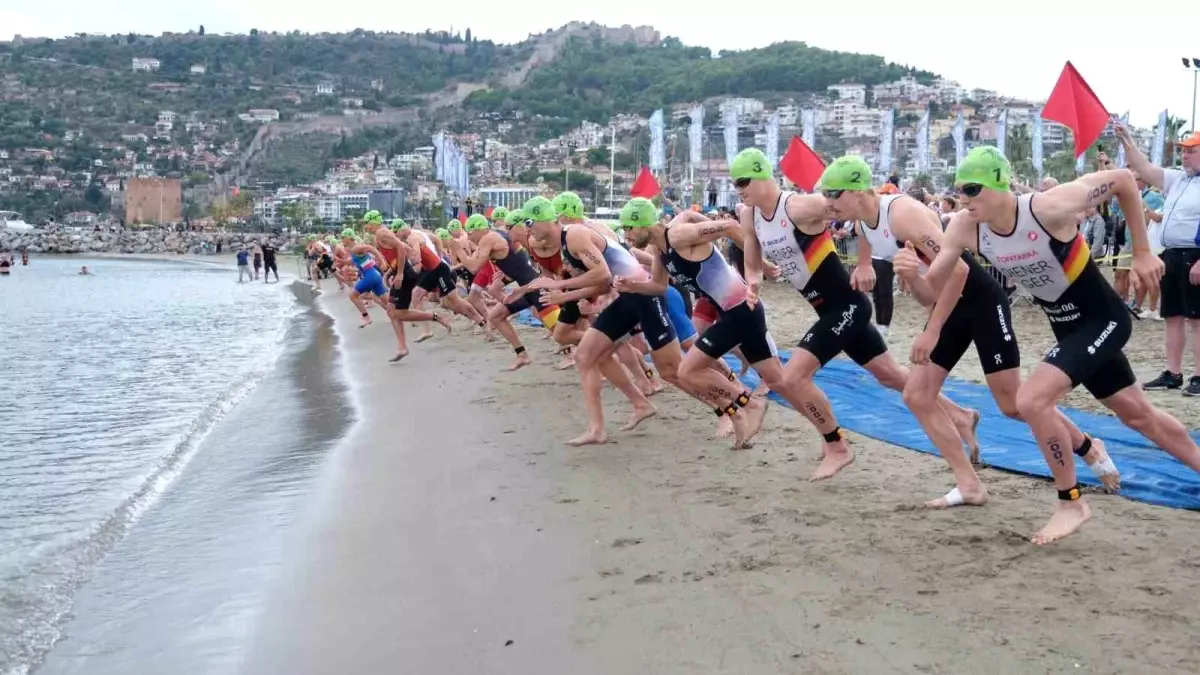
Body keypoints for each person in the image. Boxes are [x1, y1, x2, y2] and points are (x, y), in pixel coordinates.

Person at [926, 145, 1200, 545]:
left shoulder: (1049, 206)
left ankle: (1071, 502)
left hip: (1103, 319)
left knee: (1032, 400)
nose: (963, 200)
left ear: (1000, 184)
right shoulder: (964, 227)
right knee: (1140, 416)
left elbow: (1124, 180)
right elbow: (932, 288)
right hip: (1067, 329)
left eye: (972, 189)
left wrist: (1141, 251)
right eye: (959, 191)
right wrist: (910, 274)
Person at [822, 154, 1116, 508]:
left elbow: (959, 272)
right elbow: (878, 246)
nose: (828, 202)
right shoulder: (862, 221)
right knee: (916, 395)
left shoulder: (901, 214)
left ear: (859, 191)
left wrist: (931, 330)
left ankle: (1087, 446)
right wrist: (867, 264)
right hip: (945, 309)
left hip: (979, 302)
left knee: (1012, 405)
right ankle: (969, 485)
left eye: (834, 194)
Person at [733, 148, 979, 480]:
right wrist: (754, 279)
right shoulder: (750, 215)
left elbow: (865, 210)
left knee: (791, 378)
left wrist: (864, 262)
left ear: (763, 175)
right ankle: (960, 414)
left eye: (744, 181)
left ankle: (836, 445)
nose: (739, 189)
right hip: (826, 308)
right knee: (890, 375)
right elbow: (751, 249)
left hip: (847, 305)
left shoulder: (799, 206)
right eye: (735, 184)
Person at [527, 196, 767, 449]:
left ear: (551, 218)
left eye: (531, 222)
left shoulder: (577, 234)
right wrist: (567, 294)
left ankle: (733, 409)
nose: (529, 229)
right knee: (587, 355)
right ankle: (609, 422)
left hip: (650, 299)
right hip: (632, 295)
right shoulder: (651, 248)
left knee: (676, 369)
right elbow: (610, 278)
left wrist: (759, 269)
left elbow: (604, 275)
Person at [1115, 124, 1200, 394]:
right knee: (1172, 316)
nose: (1185, 156)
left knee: (1197, 320)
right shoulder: (1177, 179)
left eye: (1191, 151)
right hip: (1172, 254)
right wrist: (1127, 139)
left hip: (1195, 255)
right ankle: (1173, 373)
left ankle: (1199, 376)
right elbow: (1145, 167)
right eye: (1183, 151)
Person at [447, 209, 561, 371]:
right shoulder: (489, 238)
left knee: (562, 333)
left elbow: (473, 268)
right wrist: (505, 277)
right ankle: (522, 355)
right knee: (496, 316)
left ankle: (583, 353)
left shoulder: (489, 238)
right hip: (524, 288)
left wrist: (457, 250)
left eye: (471, 233)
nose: (469, 237)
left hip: (535, 289)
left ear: (479, 229)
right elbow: (510, 262)